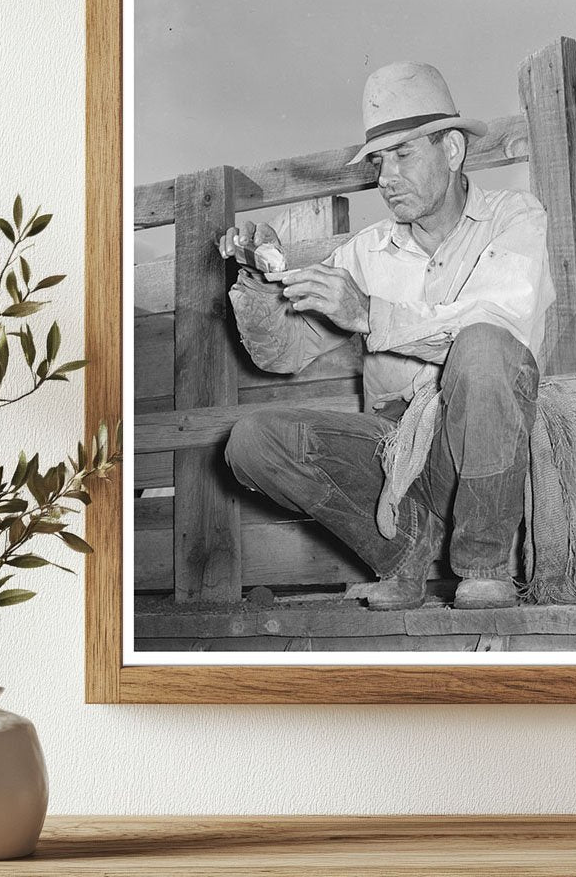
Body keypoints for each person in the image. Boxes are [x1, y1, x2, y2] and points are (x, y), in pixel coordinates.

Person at [223, 61, 555, 611]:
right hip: (394, 457)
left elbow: (499, 321)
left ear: (451, 150)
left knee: (483, 345)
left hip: (481, 457)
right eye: (379, 160)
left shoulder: (513, 217)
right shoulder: (367, 251)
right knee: (252, 440)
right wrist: (259, 289)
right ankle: (402, 557)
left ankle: (484, 566)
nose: (386, 177)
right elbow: (283, 355)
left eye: (404, 155)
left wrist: (371, 313)